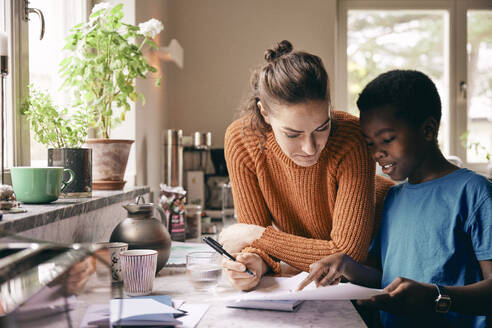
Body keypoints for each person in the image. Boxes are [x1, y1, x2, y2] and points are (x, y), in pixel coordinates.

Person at [298, 70, 492, 327]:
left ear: (428, 130)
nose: (377, 152)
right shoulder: (393, 198)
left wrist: (435, 296)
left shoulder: (473, 192)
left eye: (387, 139)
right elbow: (384, 277)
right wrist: (345, 264)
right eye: (369, 143)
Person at [219, 40, 394, 291]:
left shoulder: (351, 136)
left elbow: (347, 256)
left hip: (376, 266)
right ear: (265, 114)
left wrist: (256, 236)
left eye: (323, 127)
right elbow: (259, 245)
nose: (311, 148)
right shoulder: (241, 140)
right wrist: (253, 264)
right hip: (320, 276)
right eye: (293, 134)